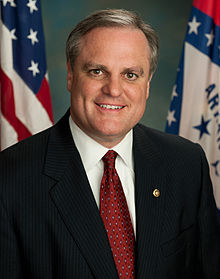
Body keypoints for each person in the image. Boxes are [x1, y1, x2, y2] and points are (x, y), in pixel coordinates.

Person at [0, 8, 220, 279]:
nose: (114, 89)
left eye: (130, 75)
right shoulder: (9, 179)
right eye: (97, 71)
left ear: (148, 83)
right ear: (70, 75)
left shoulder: (186, 164)